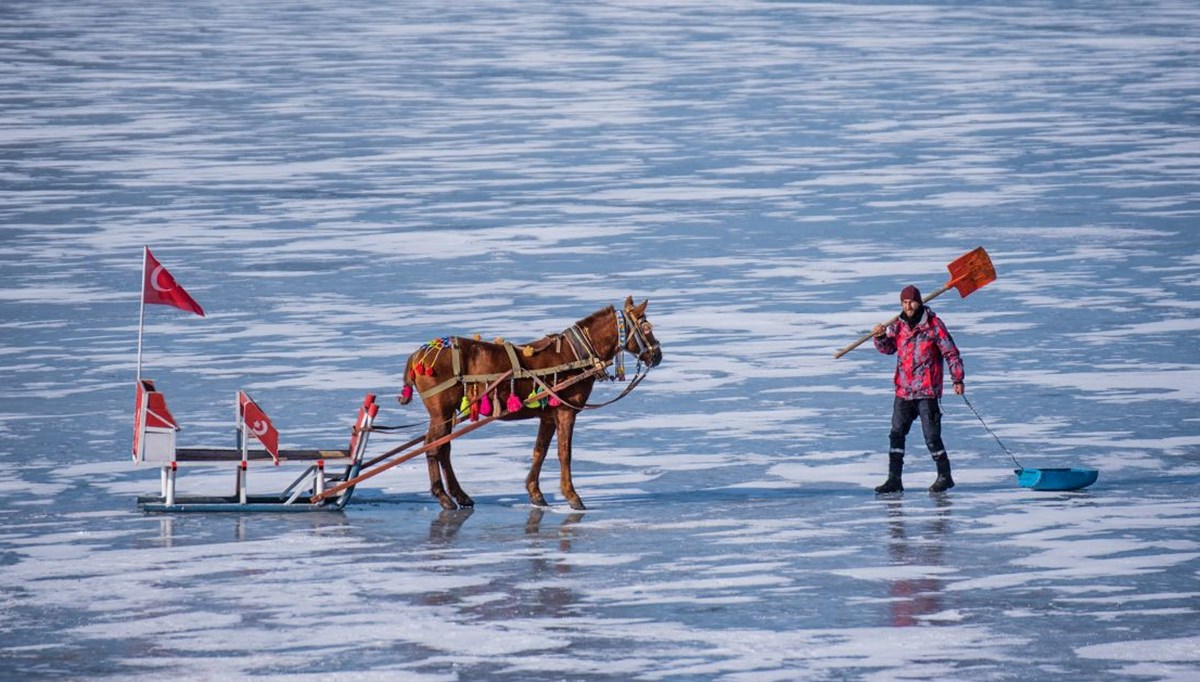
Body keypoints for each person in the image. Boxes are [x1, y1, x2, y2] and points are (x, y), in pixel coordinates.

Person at [871, 285, 964, 493]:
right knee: (896, 435)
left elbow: (951, 353)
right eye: (904, 303)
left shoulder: (934, 326)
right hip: (903, 391)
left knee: (932, 437)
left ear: (919, 302)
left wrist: (957, 379)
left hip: (926, 391)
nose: (908, 306)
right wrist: (879, 337)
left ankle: (945, 476)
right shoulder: (898, 325)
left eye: (911, 302)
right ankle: (894, 480)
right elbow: (889, 349)